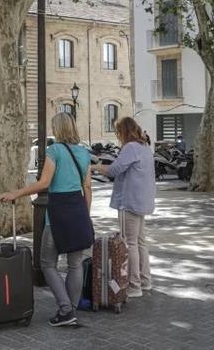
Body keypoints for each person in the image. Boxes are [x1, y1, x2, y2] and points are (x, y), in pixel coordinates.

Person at [0, 112, 93, 327]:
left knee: (48, 263)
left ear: (58, 129)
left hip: (58, 213)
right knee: (75, 263)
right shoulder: (84, 152)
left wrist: (16, 193)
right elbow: (87, 187)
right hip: (78, 209)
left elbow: (44, 183)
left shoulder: (54, 150)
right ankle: (71, 309)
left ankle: (66, 310)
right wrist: (85, 215)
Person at [93, 117, 156, 298]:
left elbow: (114, 170)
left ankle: (134, 286)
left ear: (123, 132)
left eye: (118, 132)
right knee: (141, 242)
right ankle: (145, 281)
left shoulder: (130, 148)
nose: (117, 136)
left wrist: (95, 167)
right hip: (143, 202)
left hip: (129, 202)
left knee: (130, 244)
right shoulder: (144, 148)